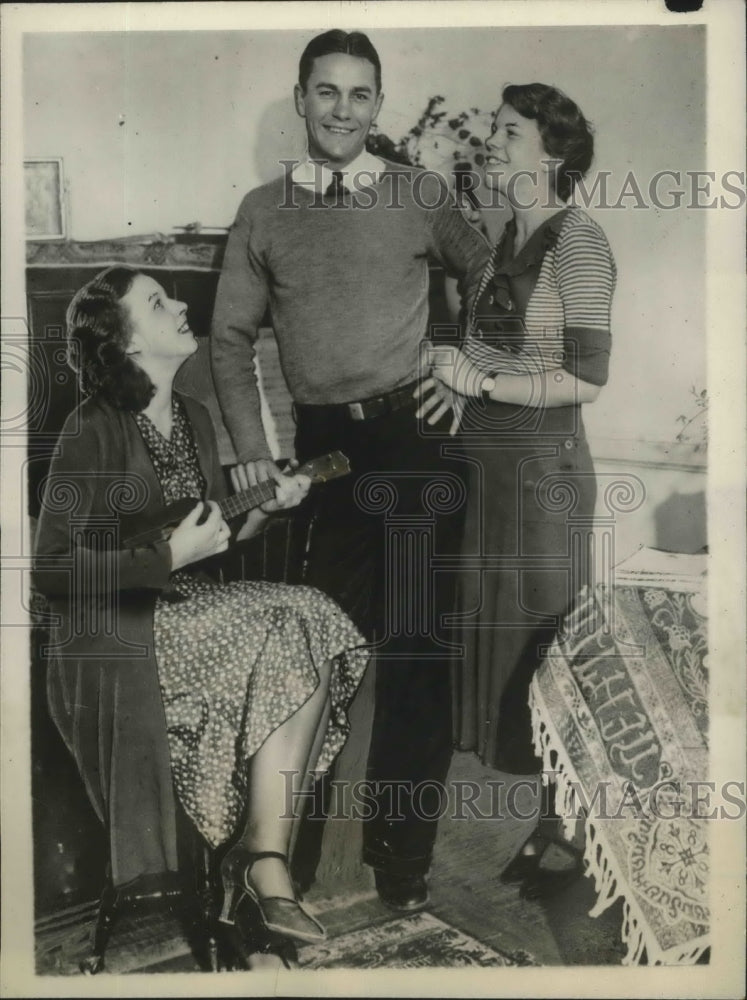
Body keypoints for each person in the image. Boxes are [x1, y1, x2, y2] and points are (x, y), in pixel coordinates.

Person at [210, 29, 489, 911]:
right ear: (301, 99)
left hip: (413, 443)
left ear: (377, 104)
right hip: (327, 453)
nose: (340, 110)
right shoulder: (262, 209)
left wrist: (461, 363)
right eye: (324, 92)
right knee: (313, 650)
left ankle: (399, 869)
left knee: (414, 654)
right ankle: (287, 865)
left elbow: (490, 273)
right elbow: (226, 338)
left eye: (358, 94)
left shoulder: (417, 192)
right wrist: (254, 449)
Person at [33, 266, 370, 965]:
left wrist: (265, 514)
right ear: (123, 342)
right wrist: (167, 555)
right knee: (293, 616)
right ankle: (254, 871)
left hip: (186, 613)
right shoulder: (87, 430)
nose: (182, 304)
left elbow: (210, 535)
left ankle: (260, 859)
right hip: (112, 632)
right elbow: (54, 569)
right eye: (157, 302)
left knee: (312, 622)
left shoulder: (195, 417)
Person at [416, 83, 616, 897]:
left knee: (545, 655)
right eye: (494, 130)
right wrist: (457, 385)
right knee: (498, 658)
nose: (491, 144)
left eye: (508, 133)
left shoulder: (579, 243)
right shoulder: (502, 242)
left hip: (544, 479)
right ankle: (548, 824)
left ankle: (565, 830)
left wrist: (481, 384)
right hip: (488, 473)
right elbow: (483, 351)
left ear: (553, 154)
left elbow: (588, 378)